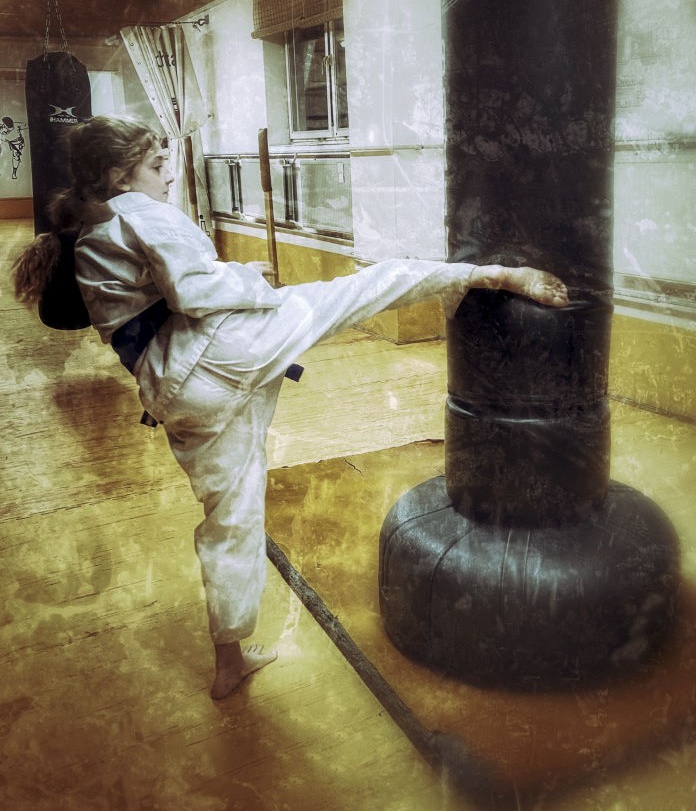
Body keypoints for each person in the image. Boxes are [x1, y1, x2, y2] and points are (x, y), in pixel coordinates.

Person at [12, 115, 569, 700]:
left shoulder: (90, 235)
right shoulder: (140, 210)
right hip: (220, 355)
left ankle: (229, 662)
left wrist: (234, 274)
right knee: (359, 289)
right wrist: (257, 286)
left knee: (229, 520)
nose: (169, 177)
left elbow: (164, 294)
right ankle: (487, 274)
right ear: (117, 175)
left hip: (174, 393)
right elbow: (195, 291)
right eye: (156, 166)